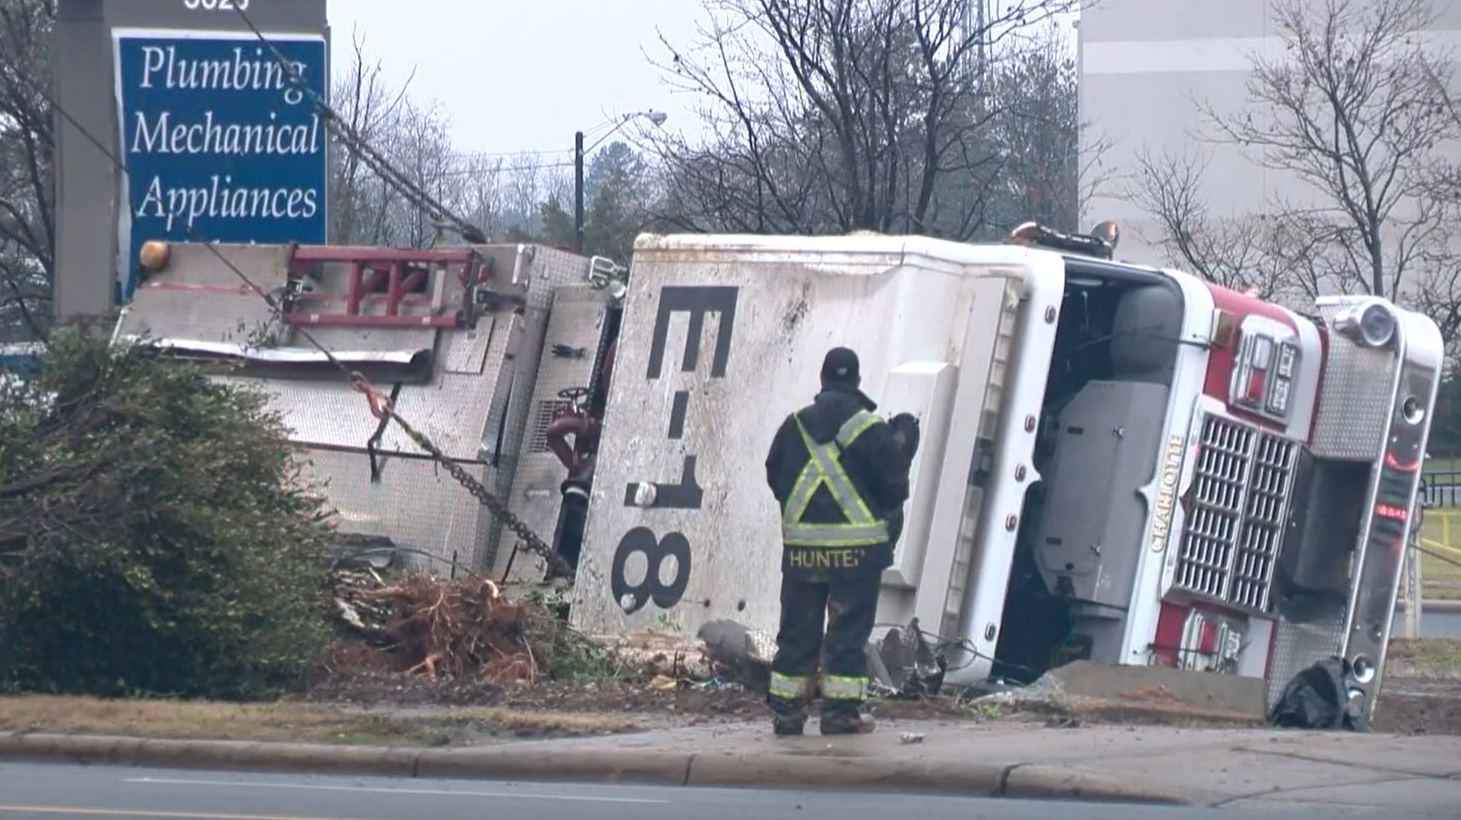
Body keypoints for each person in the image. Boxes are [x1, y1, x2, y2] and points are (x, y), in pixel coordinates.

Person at [763, 347, 917, 736]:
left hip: (802, 554)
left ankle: (786, 712)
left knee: (797, 632)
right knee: (847, 634)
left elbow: (774, 474)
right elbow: (896, 490)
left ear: (822, 378)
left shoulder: (793, 426)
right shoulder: (872, 430)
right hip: (857, 556)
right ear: (857, 381)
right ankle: (840, 715)